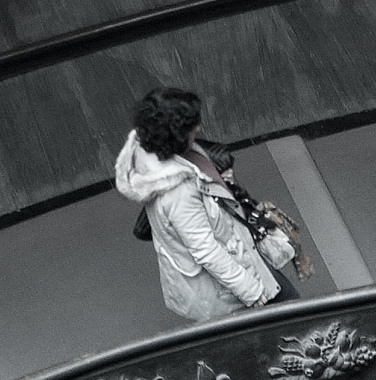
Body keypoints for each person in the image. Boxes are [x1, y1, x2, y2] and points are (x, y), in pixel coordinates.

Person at [113, 85, 299, 321]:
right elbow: (205, 250)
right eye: (192, 125)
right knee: (292, 320)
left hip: (241, 253)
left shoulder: (165, 151)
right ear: (176, 134)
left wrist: (221, 183)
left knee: (291, 311)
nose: (198, 128)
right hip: (231, 285)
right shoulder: (177, 193)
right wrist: (250, 290)